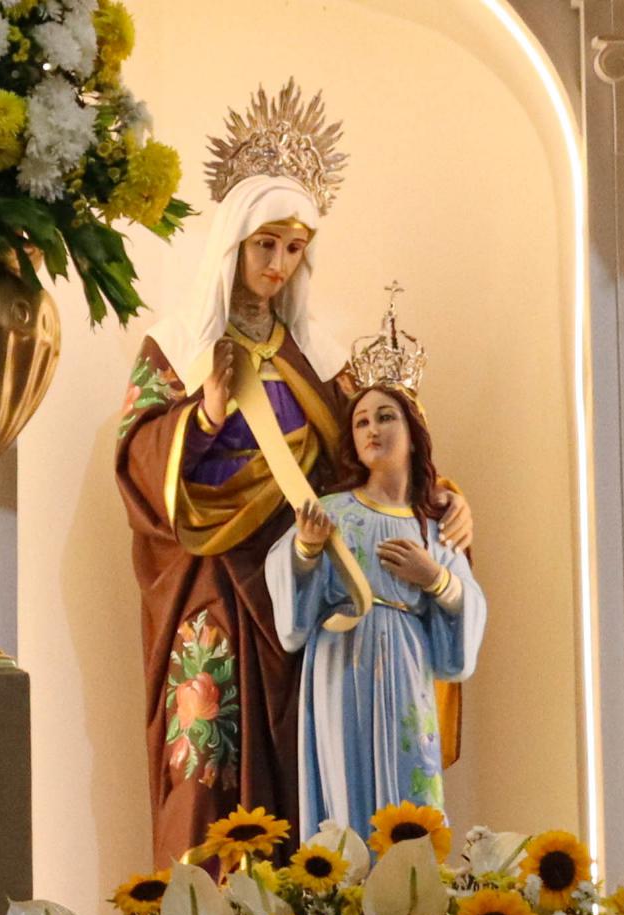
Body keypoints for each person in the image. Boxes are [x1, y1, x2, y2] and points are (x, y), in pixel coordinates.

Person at [115, 85, 473, 866]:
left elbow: (370, 458)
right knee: (206, 751)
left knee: (305, 759)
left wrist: (441, 502)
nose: (278, 265)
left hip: (307, 580)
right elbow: (136, 459)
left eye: (294, 248)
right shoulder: (176, 347)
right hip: (211, 580)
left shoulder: (319, 357)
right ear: (232, 245)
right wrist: (204, 415)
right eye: (265, 245)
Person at [265, 384, 486, 840]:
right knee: (345, 788)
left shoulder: (433, 525)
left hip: (407, 665)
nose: (372, 429)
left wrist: (436, 579)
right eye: (361, 421)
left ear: (413, 434)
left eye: (386, 417)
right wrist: (306, 550)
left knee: (412, 781)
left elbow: (466, 620)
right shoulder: (332, 512)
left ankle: (412, 880)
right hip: (341, 662)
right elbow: (286, 592)